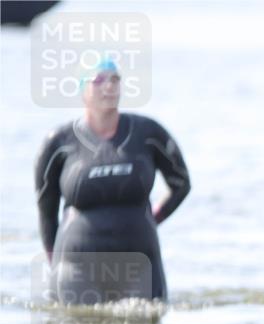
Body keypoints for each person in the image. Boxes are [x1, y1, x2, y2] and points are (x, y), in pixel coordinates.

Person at [34, 59, 190, 303]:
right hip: (77, 267)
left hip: (141, 264)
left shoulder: (148, 133)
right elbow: (46, 210)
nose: (109, 86)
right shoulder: (58, 142)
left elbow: (181, 184)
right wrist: (54, 261)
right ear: (82, 90)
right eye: (98, 80)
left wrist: (154, 217)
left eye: (115, 79)